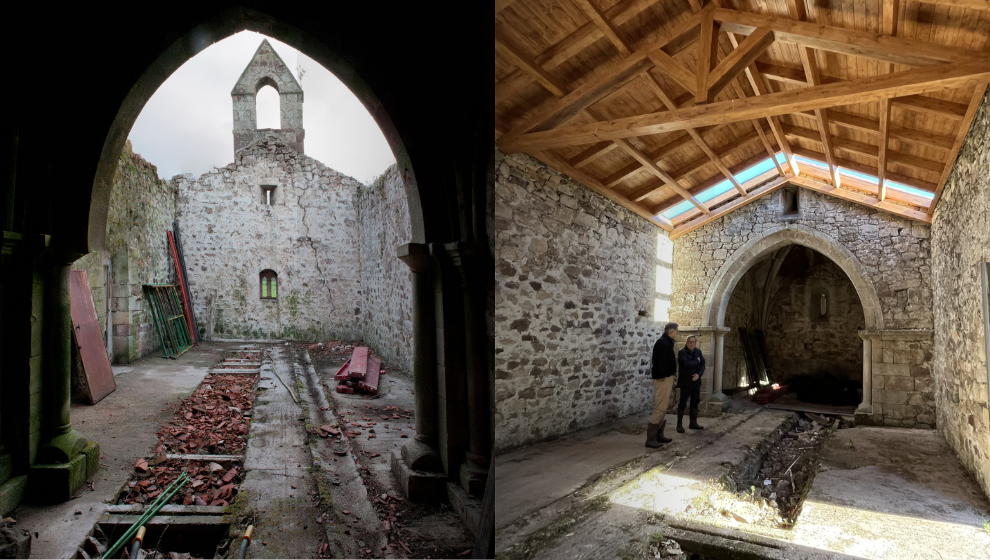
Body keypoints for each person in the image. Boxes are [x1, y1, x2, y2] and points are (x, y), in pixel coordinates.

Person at [647, 322, 678, 448]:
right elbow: (660, 363)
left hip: (666, 377)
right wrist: (667, 374)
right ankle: (651, 439)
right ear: (672, 332)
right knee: (660, 407)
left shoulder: (666, 342)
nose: (677, 333)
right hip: (662, 378)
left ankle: (659, 435)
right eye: (677, 331)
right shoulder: (663, 343)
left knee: (664, 406)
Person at [676, 335, 705, 433]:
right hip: (686, 381)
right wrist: (697, 361)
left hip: (696, 381)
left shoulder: (698, 352)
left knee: (695, 402)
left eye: (693, 342)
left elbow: (703, 365)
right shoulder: (682, 352)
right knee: (683, 403)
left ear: (695, 343)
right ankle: (679, 425)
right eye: (690, 342)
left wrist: (698, 374)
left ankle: (693, 423)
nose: (692, 343)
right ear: (686, 342)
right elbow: (685, 364)